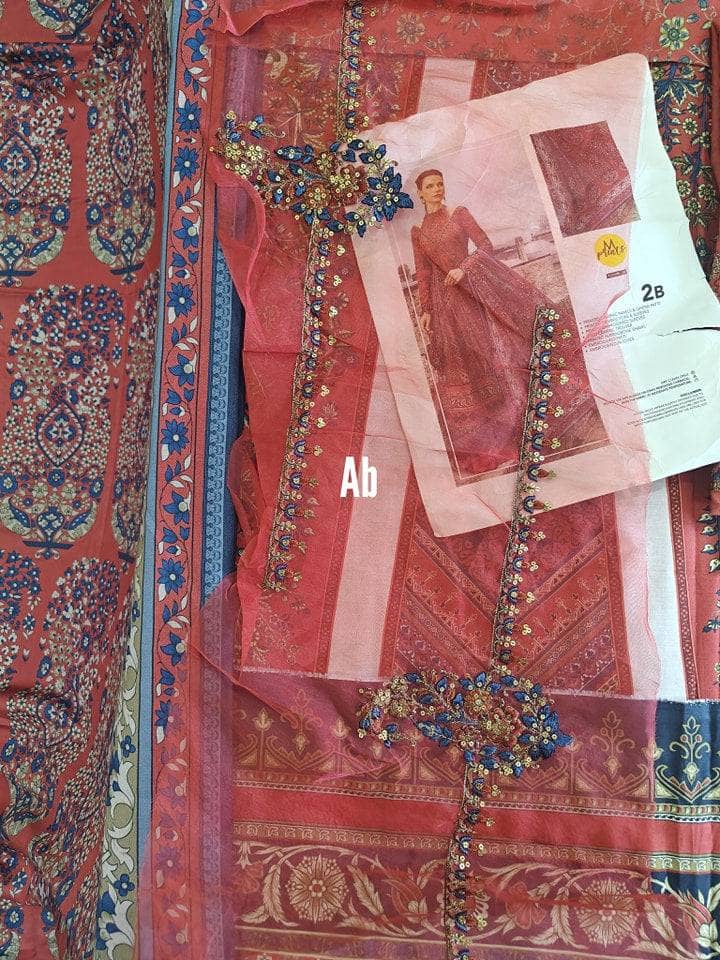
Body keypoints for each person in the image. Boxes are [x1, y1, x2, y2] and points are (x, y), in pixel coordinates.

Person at [411, 168, 550, 478]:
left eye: (439, 184)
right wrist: (426, 310)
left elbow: (486, 246)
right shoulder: (418, 232)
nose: (436, 189)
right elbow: (422, 272)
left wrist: (463, 268)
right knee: (464, 369)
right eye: (429, 186)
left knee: (490, 358)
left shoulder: (459, 214)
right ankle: (489, 445)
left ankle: (519, 433)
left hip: (471, 295)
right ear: (420, 193)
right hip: (445, 308)